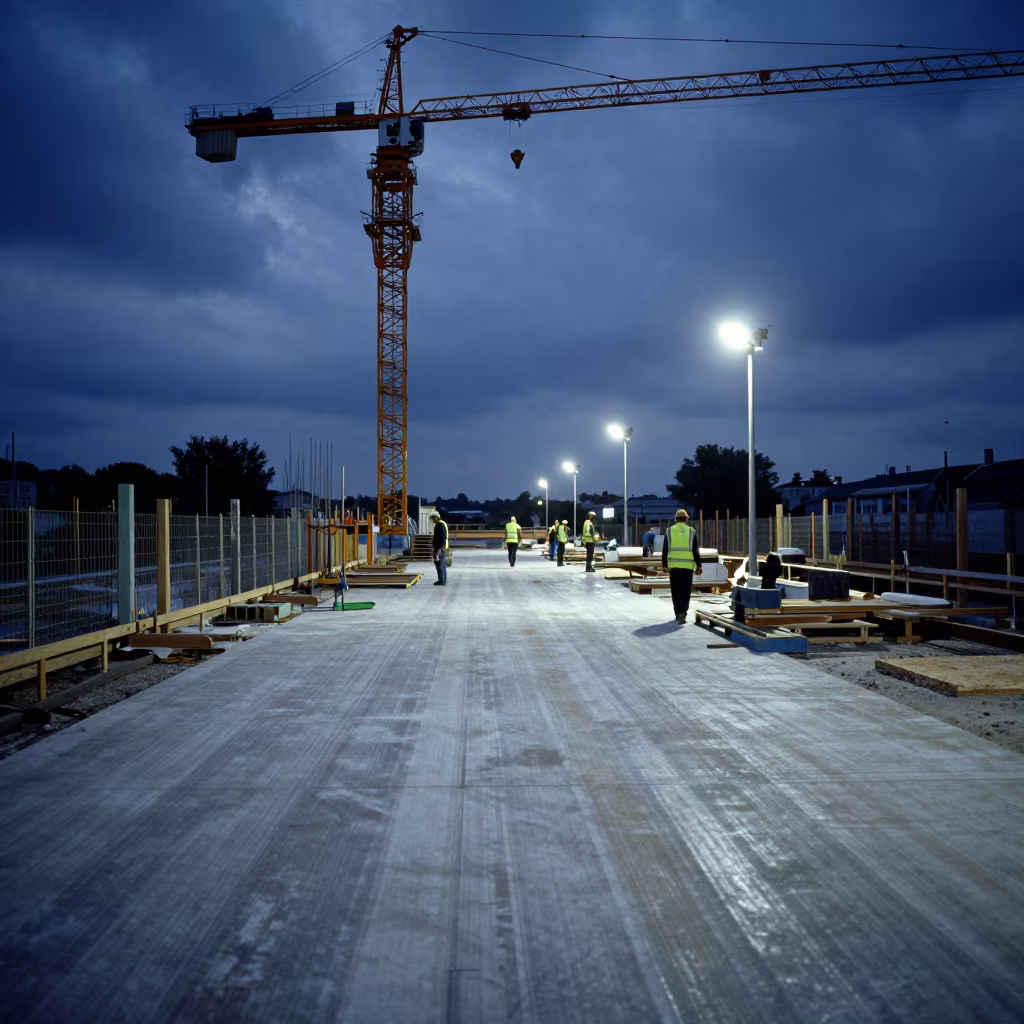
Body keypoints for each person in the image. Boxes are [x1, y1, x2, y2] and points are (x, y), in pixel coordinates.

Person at [662, 508, 702, 623]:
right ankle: (683, 613)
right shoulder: (691, 531)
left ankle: (677, 612)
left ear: (676, 519)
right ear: (686, 519)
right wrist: (699, 565)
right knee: (685, 591)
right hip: (687, 567)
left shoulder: (669, 531)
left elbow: (664, 550)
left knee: (676, 591)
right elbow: (696, 550)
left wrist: (664, 565)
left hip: (673, 567)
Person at [430, 511, 449, 585]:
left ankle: (441, 581)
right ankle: (443, 580)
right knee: (442, 564)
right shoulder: (442, 523)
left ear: (437, 517)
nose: (432, 520)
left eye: (433, 518)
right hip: (442, 547)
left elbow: (441, 538)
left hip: (440, 548)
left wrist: (438, 551)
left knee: (439, 564)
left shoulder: (439, 525)